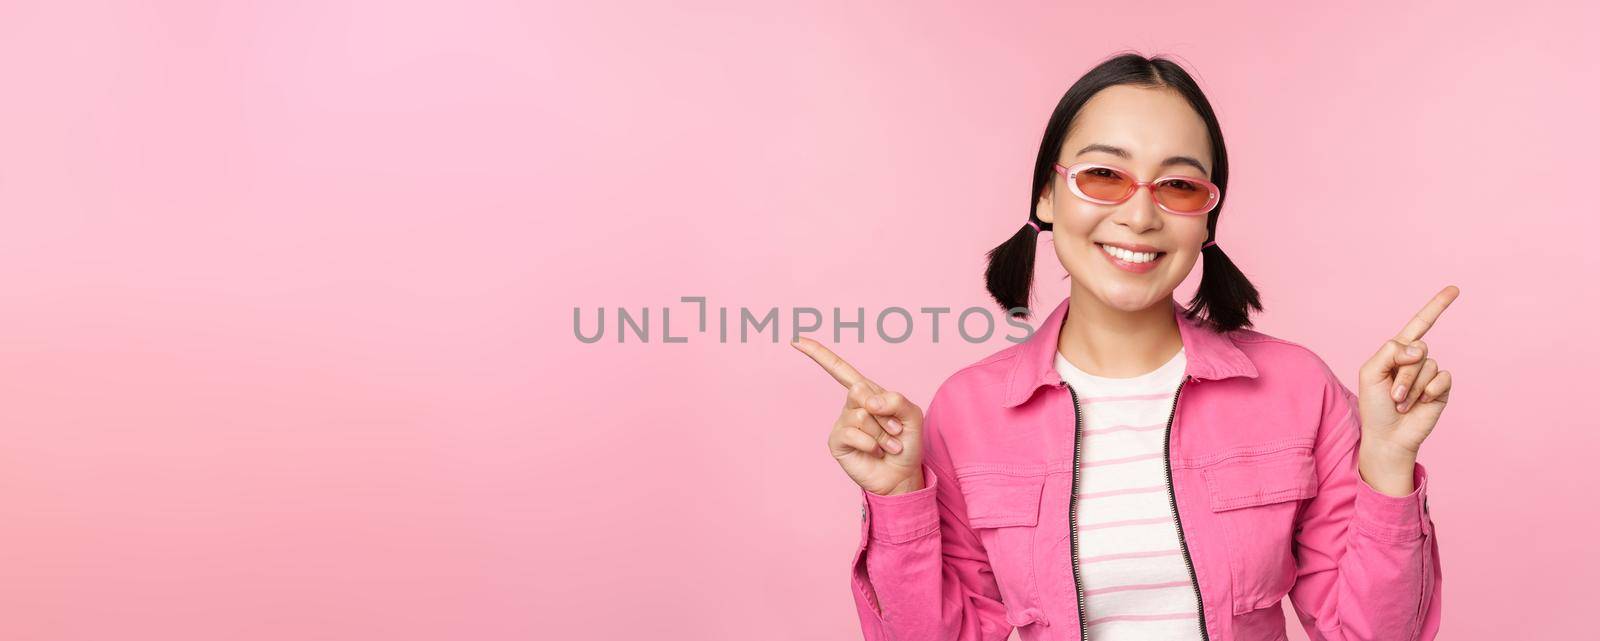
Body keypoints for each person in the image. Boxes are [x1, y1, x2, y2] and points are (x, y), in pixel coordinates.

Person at [793, 53, 1448, 640]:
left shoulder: (1298, 388)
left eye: (1179, 185)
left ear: (1205, 220)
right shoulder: (968, 411)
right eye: (1104, 175)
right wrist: (899, 497)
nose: (1139, 215)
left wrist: (1388, 463)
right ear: (1047, 195)